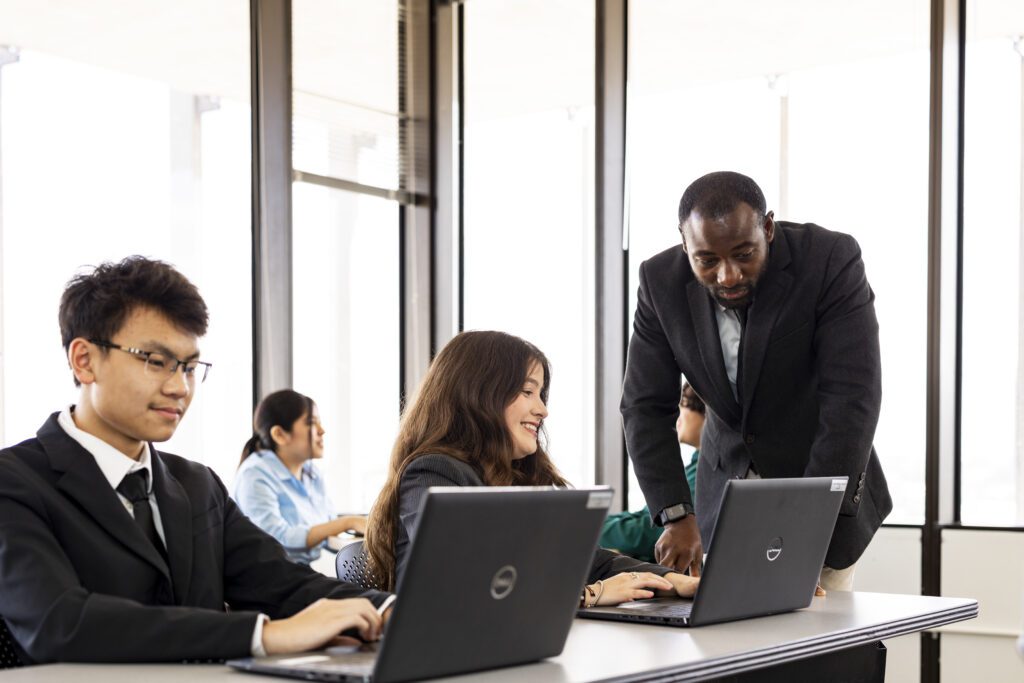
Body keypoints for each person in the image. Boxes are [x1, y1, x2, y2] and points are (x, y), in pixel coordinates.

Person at [0, 256, 393, 665]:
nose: (179, 387)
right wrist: (265, 635)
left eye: (189, 367)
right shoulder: (16, 482)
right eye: (155, 361)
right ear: (84, 360)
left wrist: (390, 610)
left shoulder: (197, 484)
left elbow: (285, 584)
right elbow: (61, 625)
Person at [621, 171, 892, 592]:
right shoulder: (660, 283)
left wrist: (807, 525)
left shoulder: (829, 259)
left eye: (744, 254)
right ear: (683, 241)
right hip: (723, 497)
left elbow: (852, 398)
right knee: (728, 647)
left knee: (811, 647)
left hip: (820, 487)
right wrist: (675, 512)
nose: (727, 275)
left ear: (768, 227)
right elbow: (643, 406)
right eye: (706, 260)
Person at [364, 330, 699, 608]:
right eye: (527, 392)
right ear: (478, 395)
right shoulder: (434, 472)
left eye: (541, 394)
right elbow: (469, 582)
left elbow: (584, 558)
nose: (542, 410)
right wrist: (589, 596)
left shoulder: (511, 477)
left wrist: (670, 580)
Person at [234, 390, 367, 565]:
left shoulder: (311, 473)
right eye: (312, 423)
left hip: (299, 574)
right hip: (266, 579)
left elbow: (326, 525)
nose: (322, 431)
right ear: (279, 434)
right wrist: (348, 522)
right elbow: (277, 538)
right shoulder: (254, 475)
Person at [599, 382, 704, 562]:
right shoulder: (694, 466)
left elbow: (650, 531)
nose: (678, 412)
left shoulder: (704, 473)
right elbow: (647, 515)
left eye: (685, 404)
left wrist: (591, 528)